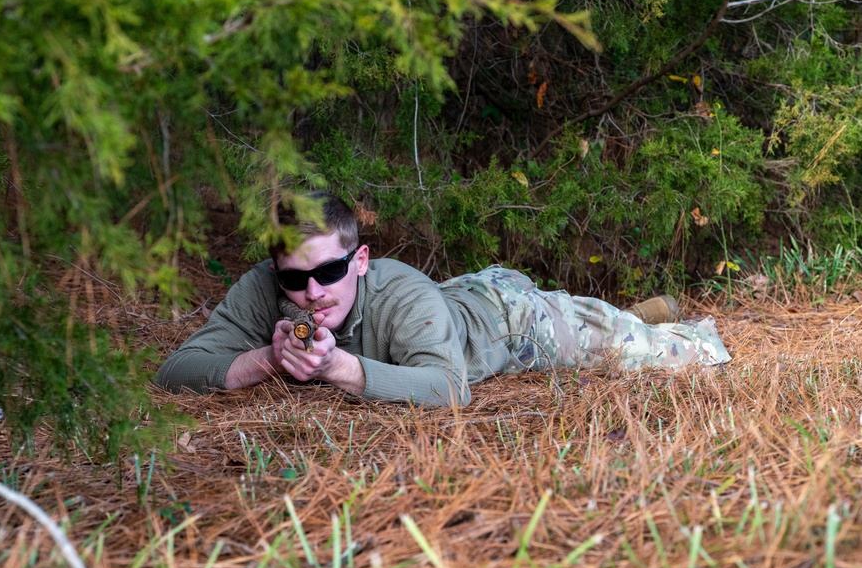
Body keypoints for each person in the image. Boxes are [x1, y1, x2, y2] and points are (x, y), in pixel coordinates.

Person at [154, 191, 731, 406]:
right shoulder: (267, 287)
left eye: (329, 271)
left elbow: (449, 387)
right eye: (293, 279)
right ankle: (640, 309)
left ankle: (657, 318)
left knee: (669, 353)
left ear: (359, 259)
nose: (310, 293)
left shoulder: (401, 290)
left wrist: (336, 367)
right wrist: (265, 360)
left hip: (511, 322)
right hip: (451, 303)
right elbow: (175, 370)